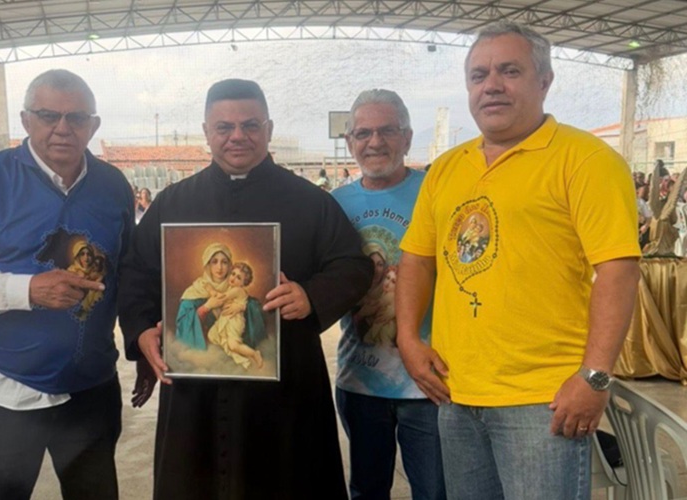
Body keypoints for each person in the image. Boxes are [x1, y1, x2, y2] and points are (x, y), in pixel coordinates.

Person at [396, 22, 640, 500]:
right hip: (456, 392)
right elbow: (417, 259)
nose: (491, 85)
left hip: (543, 400)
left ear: (544, 82)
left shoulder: (585, 160)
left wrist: (594, 377)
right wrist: (407, 338)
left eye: (510, 71)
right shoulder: (448, 167)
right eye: (478, 74)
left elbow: (618, 270)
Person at [118, 78, 373, 500]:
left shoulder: (310, 202)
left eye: (250, 125)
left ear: (269, 130)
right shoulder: (173, 203)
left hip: (284, 388)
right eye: (224, 127)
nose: (238, 136)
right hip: (194, 387)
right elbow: (136, 273)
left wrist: (310, 295)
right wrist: (142, 329)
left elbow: (353, 266)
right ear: (206, 133)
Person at [0, 69, 135, 500]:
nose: (62, 128)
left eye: (77, 117)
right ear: (26, 120)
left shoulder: (112, 186)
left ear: (93, 125)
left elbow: (128, 275)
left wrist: (146, 343)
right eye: (47, 115)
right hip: (4, 388)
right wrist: (26, 290)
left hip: (91, 387)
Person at [332, 89, 445, 500]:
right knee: (366, 490)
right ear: (349, 143)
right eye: (363, 133)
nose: (374, 142)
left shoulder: (437, 192)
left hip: (430, 381)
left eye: (387, 131)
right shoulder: (334, 204)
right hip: (359, 379)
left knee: (435, 491)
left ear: (408, 137)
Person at [175, 243, 265, 352]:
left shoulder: (234, 285)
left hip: (230, 350)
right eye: (214, 262)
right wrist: (206, 307)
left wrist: (242, 307)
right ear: (208, 264)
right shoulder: (196, 290)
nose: (220, 267)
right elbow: (183, 325)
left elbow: (254, 307)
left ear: (230, 265)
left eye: (224, 262)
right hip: (205, 354)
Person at [205, 261, 265, 369]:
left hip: (234, 321)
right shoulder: (231, 288)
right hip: (225, 319)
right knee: (212, 335)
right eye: (233, 274)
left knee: (233, 345)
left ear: (243, 283)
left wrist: (210, 290)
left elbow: (221, 298)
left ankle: (254, 354)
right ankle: (238, 356)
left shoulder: (238, 290)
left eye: (238, 278)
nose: (233, 278)